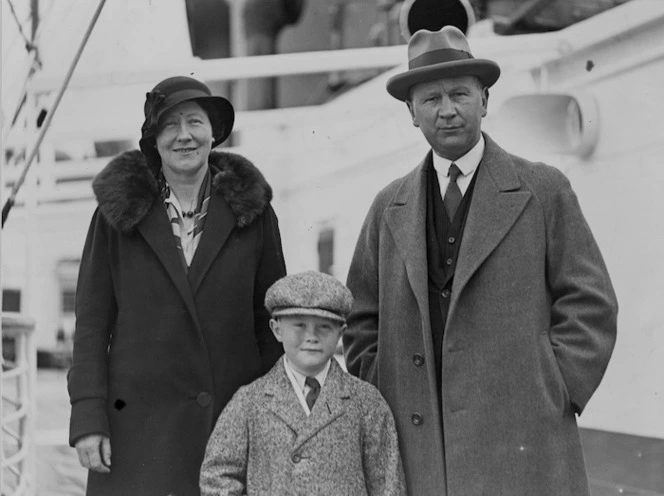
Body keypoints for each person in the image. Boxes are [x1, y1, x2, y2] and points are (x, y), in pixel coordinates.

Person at [343, 26, 618, 496]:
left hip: (525, 442)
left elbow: (591, 304)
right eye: (430, 99)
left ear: (485, 101)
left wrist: (553, 387)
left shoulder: (543, 190)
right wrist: (386, 390)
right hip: (420, 450)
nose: (446, 110)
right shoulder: (387, 208)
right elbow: (360, 321)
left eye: (459, 94)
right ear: (411, 113)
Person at [67, 76, 287, 495]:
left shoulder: (254, 211)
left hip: (228, 425)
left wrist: (273, 418)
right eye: (170, 126)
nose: (184, 135)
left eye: (195, 122)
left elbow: (272, 322)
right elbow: (92, 325)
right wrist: (88, 419)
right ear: (154, 139)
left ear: (214, 132)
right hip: (135, 432)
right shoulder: (116, 215)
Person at [200, 270, 406, 495]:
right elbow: (218, 476)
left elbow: (387, 484)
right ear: (277, 329)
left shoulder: (367, 403)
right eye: (299, 325)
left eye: (324, 326)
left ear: (341, 333)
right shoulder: (249, 402)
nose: (311, 337)